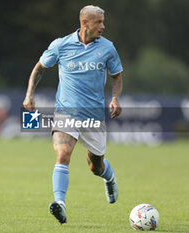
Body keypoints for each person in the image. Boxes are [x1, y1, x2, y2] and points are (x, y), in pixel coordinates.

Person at [23, 5, 123, 224]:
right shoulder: (61, 45)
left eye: (103, 22)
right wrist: (30, 94)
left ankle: (109, 177)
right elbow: (39, 68)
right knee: (63, 154)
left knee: (95, 167)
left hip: (94, 116)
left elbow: (116, 76)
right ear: (84, 22)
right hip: (66, 111)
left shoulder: (108, 48)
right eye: (98, 22)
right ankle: (60, 203)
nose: (103, 26)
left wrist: (115, 98)